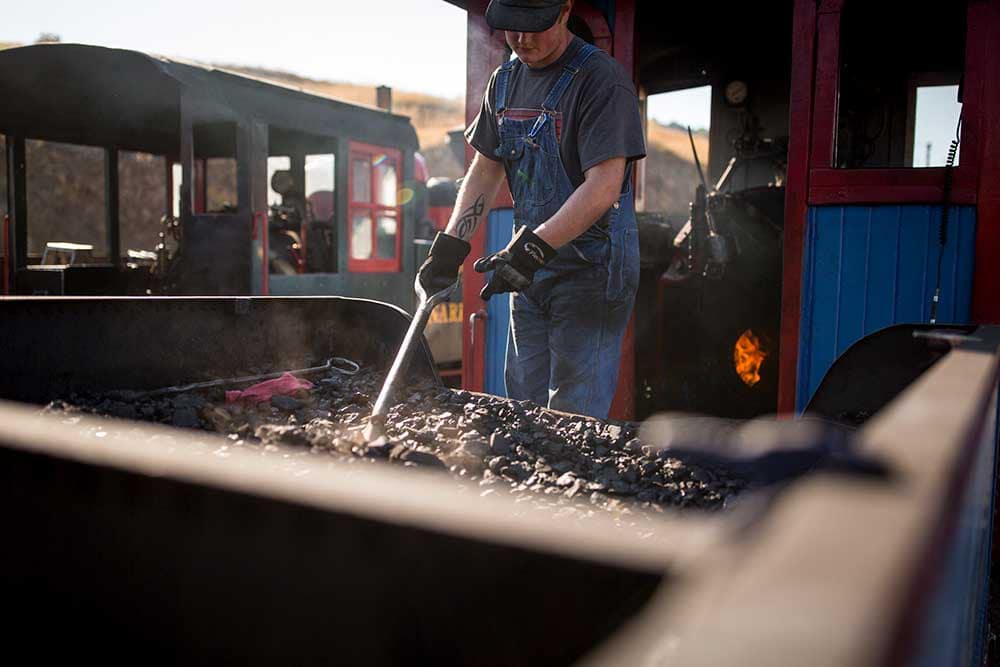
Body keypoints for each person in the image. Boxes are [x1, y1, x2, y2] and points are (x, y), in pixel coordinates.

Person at [417, 0, 645, 419]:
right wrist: (450, 245)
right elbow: (486, 170)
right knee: (522, 404)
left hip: (592, 269)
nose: (521, 39)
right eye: (511, 27)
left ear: (564, 11)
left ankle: (572, 483)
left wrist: (533, 249)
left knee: (573, 415)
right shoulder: (503, 82)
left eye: (533, 26)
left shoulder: (600, 81)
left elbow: (603, 187)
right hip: (531, 264)